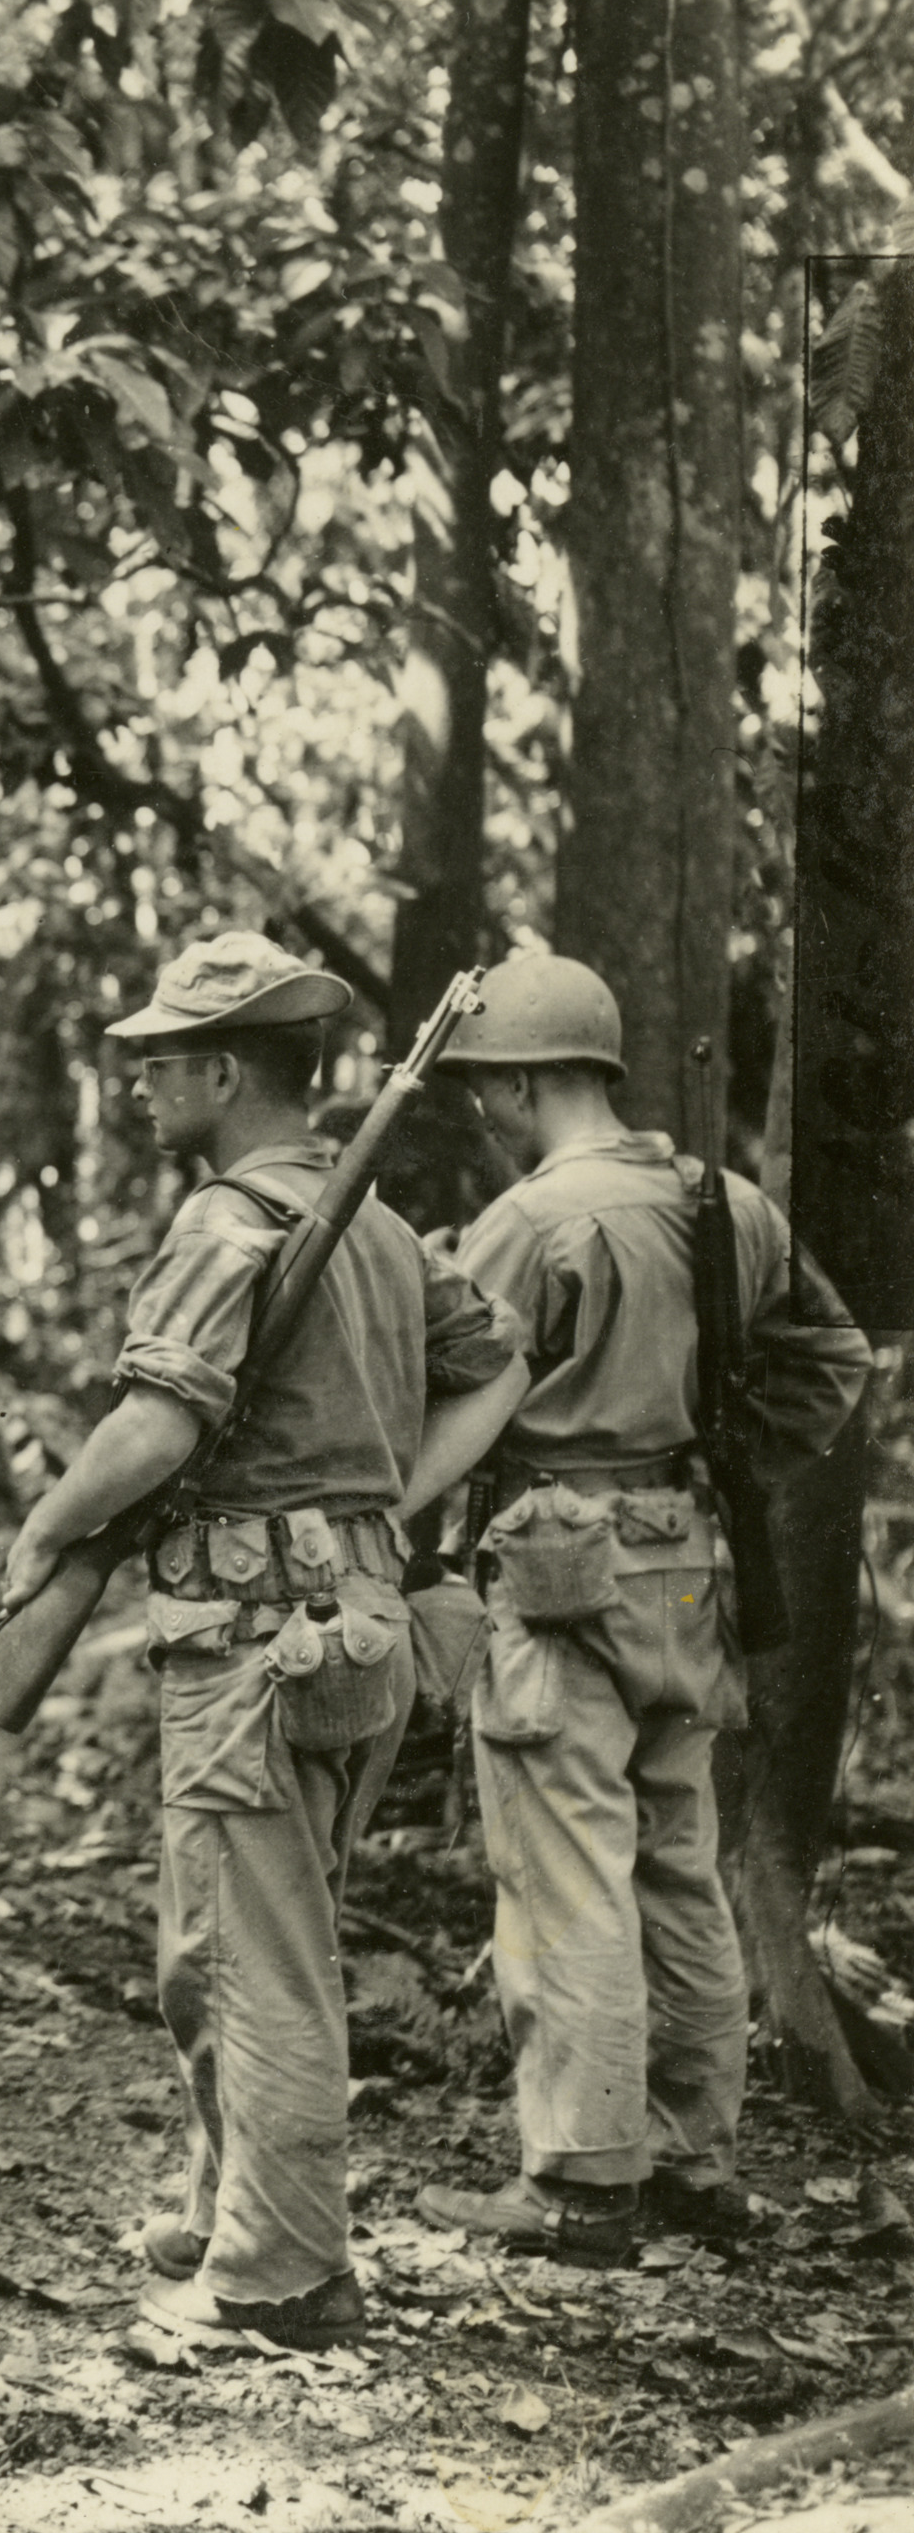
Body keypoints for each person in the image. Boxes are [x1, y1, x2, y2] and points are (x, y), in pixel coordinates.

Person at [0, 933, 528, 2349]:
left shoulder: (232, 1217)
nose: (138, 1089)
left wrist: (45, 1531)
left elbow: (158, 1423)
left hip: (253, 1640)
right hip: (352, 1623)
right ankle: (227, 2203)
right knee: (224, 1942)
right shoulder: (377, 1225)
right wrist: (388, 1503)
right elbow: (505, 1363)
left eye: (159, 1065)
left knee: (250, 1955)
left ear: (225, 1074)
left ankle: (280, 2277)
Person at [413, 953, 873, 2266]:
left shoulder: (533, 1222)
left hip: (561, 1552)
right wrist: (727, 1462)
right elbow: (831, 1356)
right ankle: (694, 2160)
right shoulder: (721, 1202)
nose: (483, 1115)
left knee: (568, 1866)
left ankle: (581, 2178)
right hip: (692, 1553)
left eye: (488, 1090)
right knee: (677, 1851)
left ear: (529, 1080)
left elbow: (443, 1381)